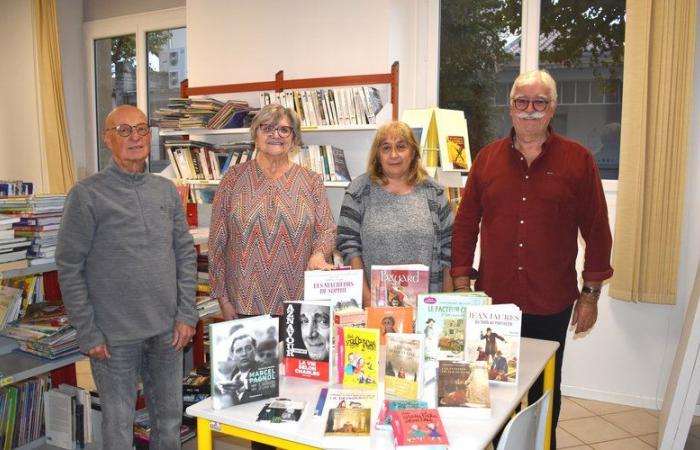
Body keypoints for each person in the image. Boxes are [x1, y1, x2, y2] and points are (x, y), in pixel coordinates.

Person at [451, 69, 613, 450]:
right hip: (495, 304)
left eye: (539, 102)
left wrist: (590, 294)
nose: (530, 110)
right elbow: (465, 225)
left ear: (552, 108)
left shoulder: (578, 160)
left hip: (550, 303)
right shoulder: (487, 160)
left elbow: (597, 229)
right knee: (492, 389)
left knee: (544, 393)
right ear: (510, 108)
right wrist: (461, 282)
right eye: (521, 102)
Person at [56, 105, 197, 450]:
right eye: (123, 130)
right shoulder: (87, 194)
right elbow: (69, 266)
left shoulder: (166, 192)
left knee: (168, 420)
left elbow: (184, 254)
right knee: (118, 428)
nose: (135, 137)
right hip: (113, 338)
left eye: (141, 129)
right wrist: (87, 331)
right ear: (107, 139)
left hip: (167, 332)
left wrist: (186, 314)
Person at [336, 121, 454, 306]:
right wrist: (367, 300)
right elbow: (348, 247)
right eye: (386, 148)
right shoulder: (358, 192)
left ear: (413, 152)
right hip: (373, 305)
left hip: (427, 306)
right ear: (378, 155)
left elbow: (450, 250)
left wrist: (446, 304)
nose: (394, 155)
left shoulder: (435, 193)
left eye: (401, 146)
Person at [219, 331, 260, 405]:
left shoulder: (263, 368)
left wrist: (244, 384)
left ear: (255, 350)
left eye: (248, 348)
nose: (244, 353)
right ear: (232, 355)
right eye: (239, 350)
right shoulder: (234, 374)